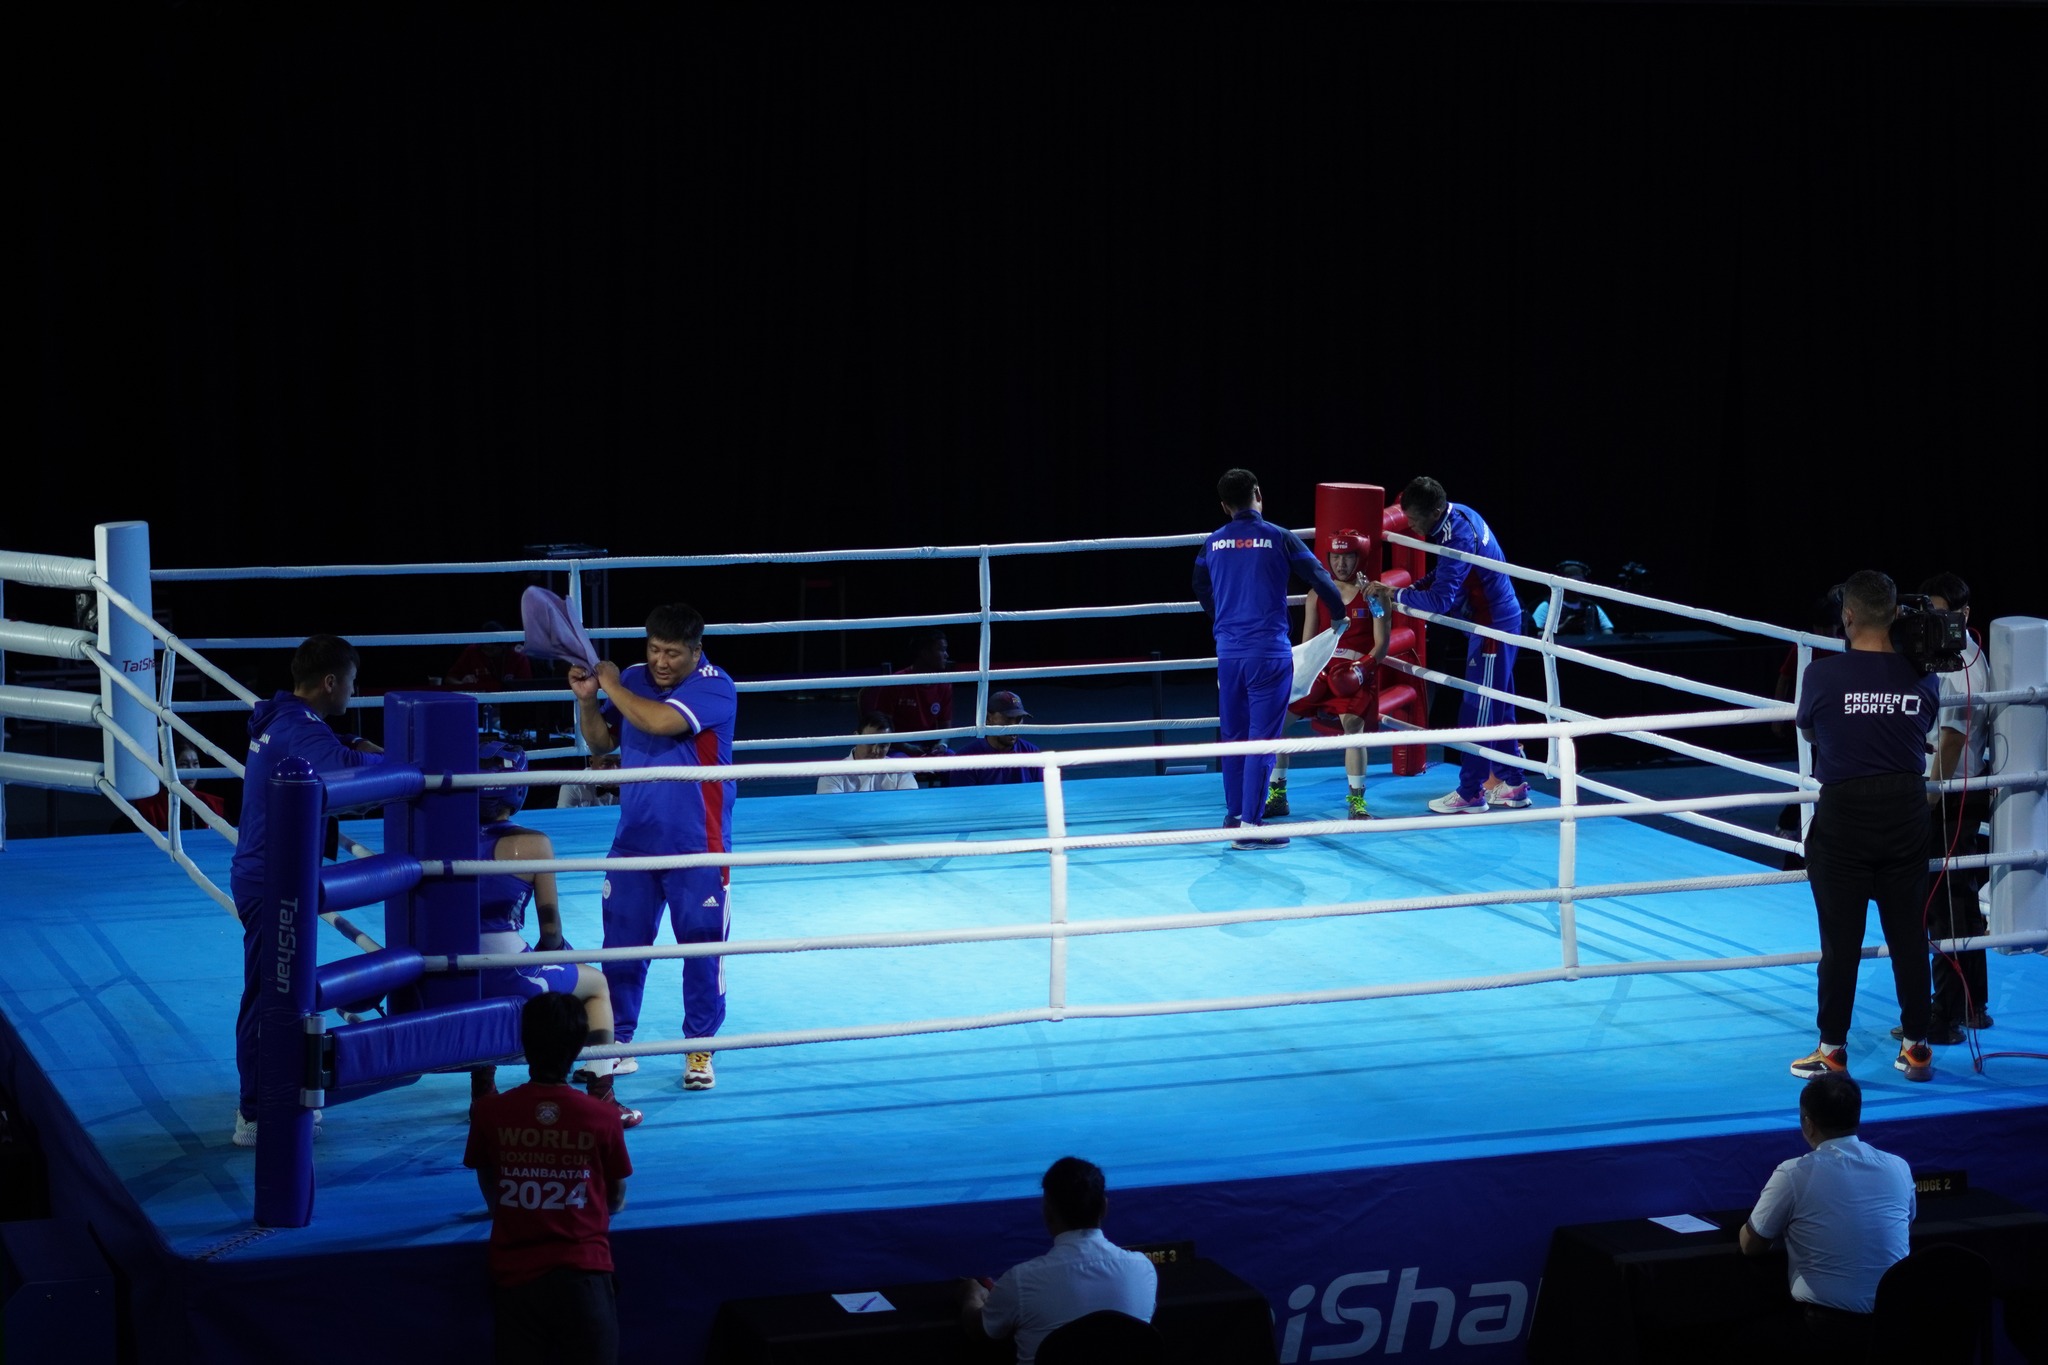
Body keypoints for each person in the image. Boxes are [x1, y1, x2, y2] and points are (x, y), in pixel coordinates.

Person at [568, 604, 736, 1094]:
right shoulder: (633, 679)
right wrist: (588, 701)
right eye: (654, 649)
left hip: (698, 847)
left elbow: (660, 722)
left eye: (673, 653)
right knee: (622, 949)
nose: (661, 662)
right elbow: (602, 744)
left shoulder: (714, 686)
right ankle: (618, 1045)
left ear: (696, 651)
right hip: (634, 842)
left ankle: (699, 1047)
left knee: (702, 949)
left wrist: (611, 684)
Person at [228, 634, 384, 1147]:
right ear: (330, 682)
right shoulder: (299, 729)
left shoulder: (282, 718)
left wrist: (353, 744)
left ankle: (275, 1095)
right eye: (352, 683)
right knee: (269, 995)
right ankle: (255, 1111)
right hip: (273, 883)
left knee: (283, 990)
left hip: (274, 876)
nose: (354, 693)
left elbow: (333, 755)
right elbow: (347, 772)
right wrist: (405, 762)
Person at [1790, 570, 1940, 1083]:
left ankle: (1832, 1049)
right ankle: (1917, 1047)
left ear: (1847, 616)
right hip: (1905, 810)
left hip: (1845, 814)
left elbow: (1810, 731)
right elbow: (1922, 729)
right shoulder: (1925, 677)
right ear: (1896, 614)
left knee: (1840, 942)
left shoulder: (1821, 675)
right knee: (1909, 936)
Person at [470, 741, 640, 1128]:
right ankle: (602, 1097)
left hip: (451, 973)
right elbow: (551, 932)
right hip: (509, 972)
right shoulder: (532, 843)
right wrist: (558, 954)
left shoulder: (442, 840)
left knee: (484, 984)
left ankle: (482, 1095)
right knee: (596, 984)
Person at [464, 993, 633, 1365]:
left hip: (515, 1278)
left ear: (523, 1042)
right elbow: (616, 1199)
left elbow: (491, 1189)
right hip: (585, 1274)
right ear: (579, 1048)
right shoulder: (603, 1117)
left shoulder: (489, 1112)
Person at [1193, 469, 1345, 850]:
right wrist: (1339, 613)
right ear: (1258, 494)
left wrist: (1222, 617)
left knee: (1233, 738)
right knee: (1262, 740)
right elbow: (1320, 577)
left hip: (1229, 655)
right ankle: (1251, 826)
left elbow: (1199, 585)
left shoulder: (1212, 543)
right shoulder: (1278, 536)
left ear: (1225, 506)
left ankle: (1234, 817)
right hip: (1268, 655)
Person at [1374, 477, 1530, 815]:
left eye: (1414, 520)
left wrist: (1396, 595)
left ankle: (1471, 792)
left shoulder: (1457, 535)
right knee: (1500, 707)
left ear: (1433, 512)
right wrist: (1413, 588)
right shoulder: (1459, 513)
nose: (1412, 527)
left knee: (1477, 710)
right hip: (1498, 620)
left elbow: (1441, 600)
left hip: (1492, 628)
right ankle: (1514, 784)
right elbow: (1445, 573)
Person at [1738, 1073, 1912, 1360]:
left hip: (1823, 1331)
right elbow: (1907, 1222)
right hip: (1894, 1328)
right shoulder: (1899, 1168)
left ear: (1808, 1124)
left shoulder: (1793, 1173)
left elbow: (1750, 1245)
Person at [960, 1156, 1158, 1365]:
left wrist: (971, 1294)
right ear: (1104, 1207)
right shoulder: (1143, 1269)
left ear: (1047, 1212)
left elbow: (978, 1329)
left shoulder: (1021, 1281)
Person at [1265, 529, 1391, 822]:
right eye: (1335, 557)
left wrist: (1361, 669)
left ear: (1359, 558)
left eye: (1347, 557)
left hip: (1356, 672)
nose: (1341, 564)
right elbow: (1308, 645)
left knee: (1353, 727)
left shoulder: (1374, 595)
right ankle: (1278, 795)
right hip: (1321, 671)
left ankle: (1357, 802)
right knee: (1275, 721)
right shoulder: (1316, 594)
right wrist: (1308, 674)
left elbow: (1381, 646)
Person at [1917, 572, 1993, 1044]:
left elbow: (1952, 737)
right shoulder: (1961, 653)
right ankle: (1970, 1006)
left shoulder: (1958, 663)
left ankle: (1946, 1015)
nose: (1932, 620)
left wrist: (1928, 794)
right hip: (1955, 791)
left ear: (1963, 614)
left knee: (1944, 904)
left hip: (1949, 794)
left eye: (1941, 612)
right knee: (1957, 899)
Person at [858, 628, 956, 758]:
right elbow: (881, 728)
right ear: (924, 653)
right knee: (901, 763)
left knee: (953, 759)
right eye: (941, 650)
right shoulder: (896, 683)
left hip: (927, 747)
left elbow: (946, 728)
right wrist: (906, 747)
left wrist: (942, 745)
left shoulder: (944, 685)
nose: (946, 655)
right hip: (895, 747)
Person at [947, 691, 1045, 786]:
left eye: (1019, 719)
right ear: (988, 718)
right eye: (1008, 718)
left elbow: (1041, 794)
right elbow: (962, 797)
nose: (1014, 725)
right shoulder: (965, 758)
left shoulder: (1032, 753)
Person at [817, 712, 919, 794]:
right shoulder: (832, 774)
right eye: (870, 742)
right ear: (855, 738)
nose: (876, 751)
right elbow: (831, 810)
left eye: (883, 745)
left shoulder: (900, 772)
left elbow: (912, 804)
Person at [1528, 561, 1614, 635]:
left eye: (1580, 582)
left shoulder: (1592, 606)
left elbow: (1608, 630)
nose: (1577, 586)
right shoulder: (1548, 605)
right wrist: (1563, 628)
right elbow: (1536, 634)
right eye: (1574, 582)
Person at [448, 622, 534, 692]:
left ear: (503, 646)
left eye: (491, 649)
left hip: (510, 703)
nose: (486, 651)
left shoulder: (518, 657)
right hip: (479, 701)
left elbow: (527, 688)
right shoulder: (472, 651)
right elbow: (449, 679)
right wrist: (462, 684)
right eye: (484, 648)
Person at [558, 752, 622, 808]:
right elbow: (562, 816)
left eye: (619, 763)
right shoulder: (573, 785)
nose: (614, 770)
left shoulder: (628, 780)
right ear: (591, 763)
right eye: (606, 764)